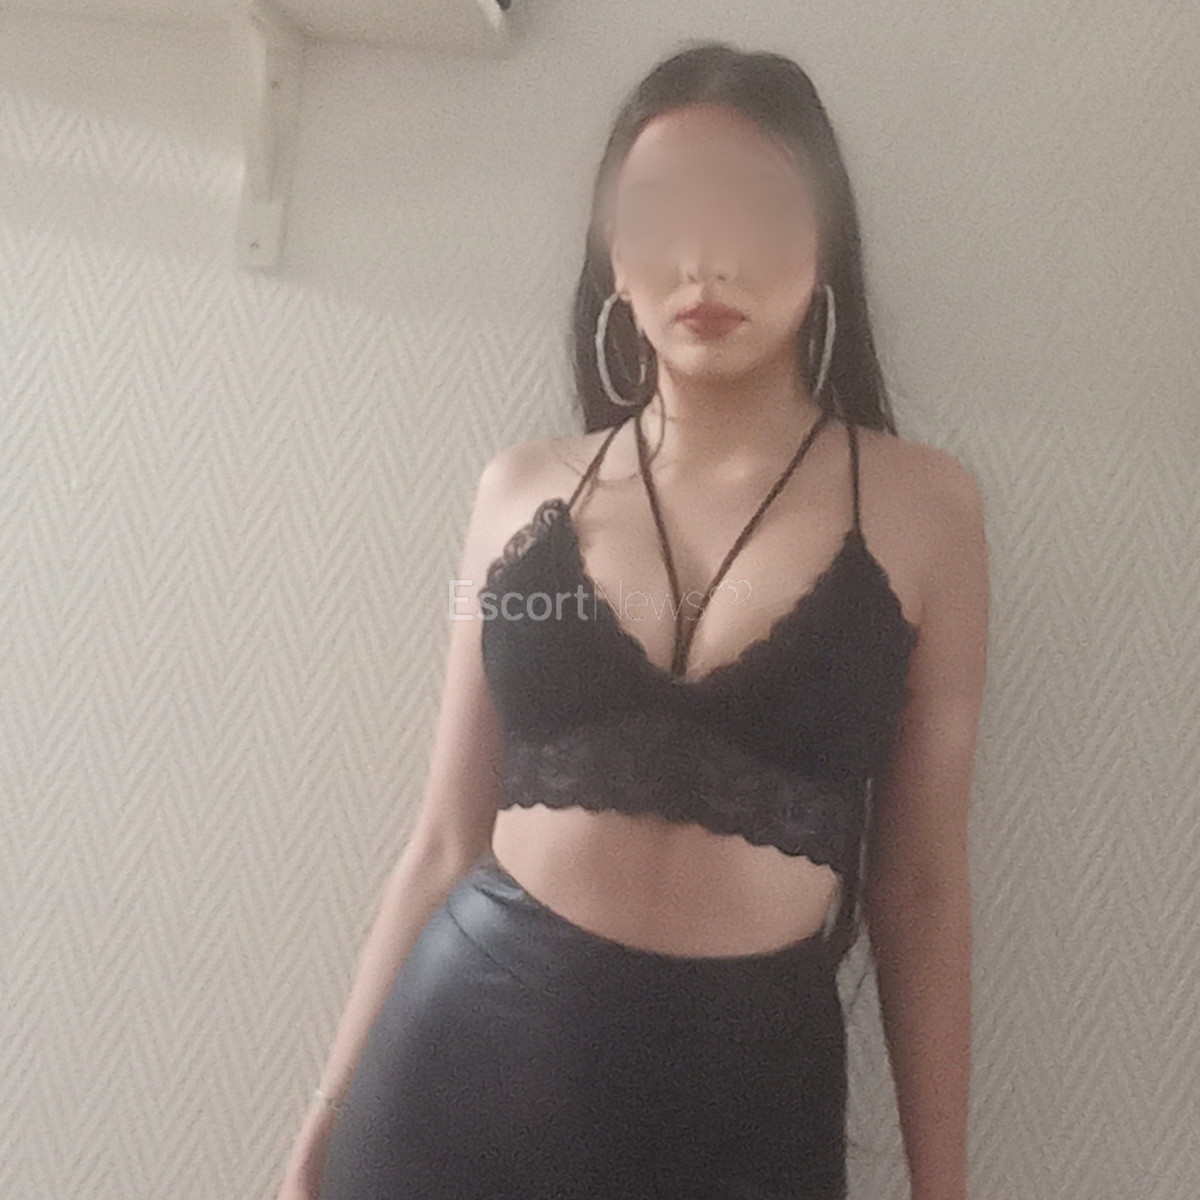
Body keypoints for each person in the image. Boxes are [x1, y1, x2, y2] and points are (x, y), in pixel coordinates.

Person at [278, 40, 987, 1200]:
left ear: (825, 245)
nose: (705, 256)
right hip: (459, 1083)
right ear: (615, 253)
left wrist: (942, 1187)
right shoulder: (519, 492)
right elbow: (444, 840)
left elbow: (920, 889)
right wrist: (321, 1122)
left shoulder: (926, 510)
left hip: (745, 1113)